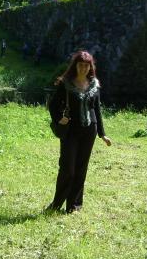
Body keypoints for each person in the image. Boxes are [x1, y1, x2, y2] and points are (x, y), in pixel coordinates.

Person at [47, 51, 112, 213]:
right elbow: (53, 105)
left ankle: (74, 206)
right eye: (80, 65)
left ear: (90, 67)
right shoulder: (66, 84)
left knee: (81, 168)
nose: (83, 68)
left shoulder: (94, 85)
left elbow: (97, 109)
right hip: (70, 131)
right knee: (67, 168)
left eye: (86, 65)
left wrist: (102, 134)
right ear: (75, 65)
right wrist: (59, 119)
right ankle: (56, 204)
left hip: (89, 131)